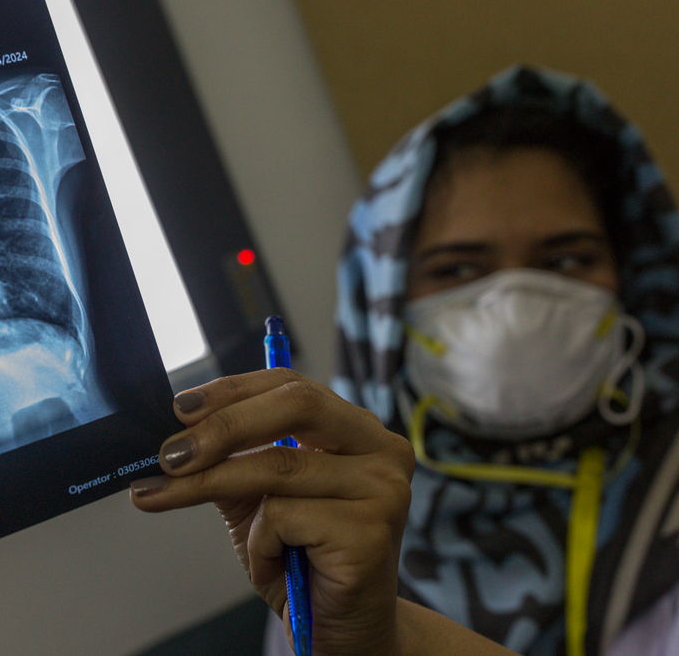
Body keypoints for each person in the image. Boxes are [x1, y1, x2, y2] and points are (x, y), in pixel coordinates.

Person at [130, 65, 679, 655]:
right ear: (383, 310)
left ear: (634, 280)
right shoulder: (341, 517)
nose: (516, 309)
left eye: (566, 260)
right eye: (458, 271)